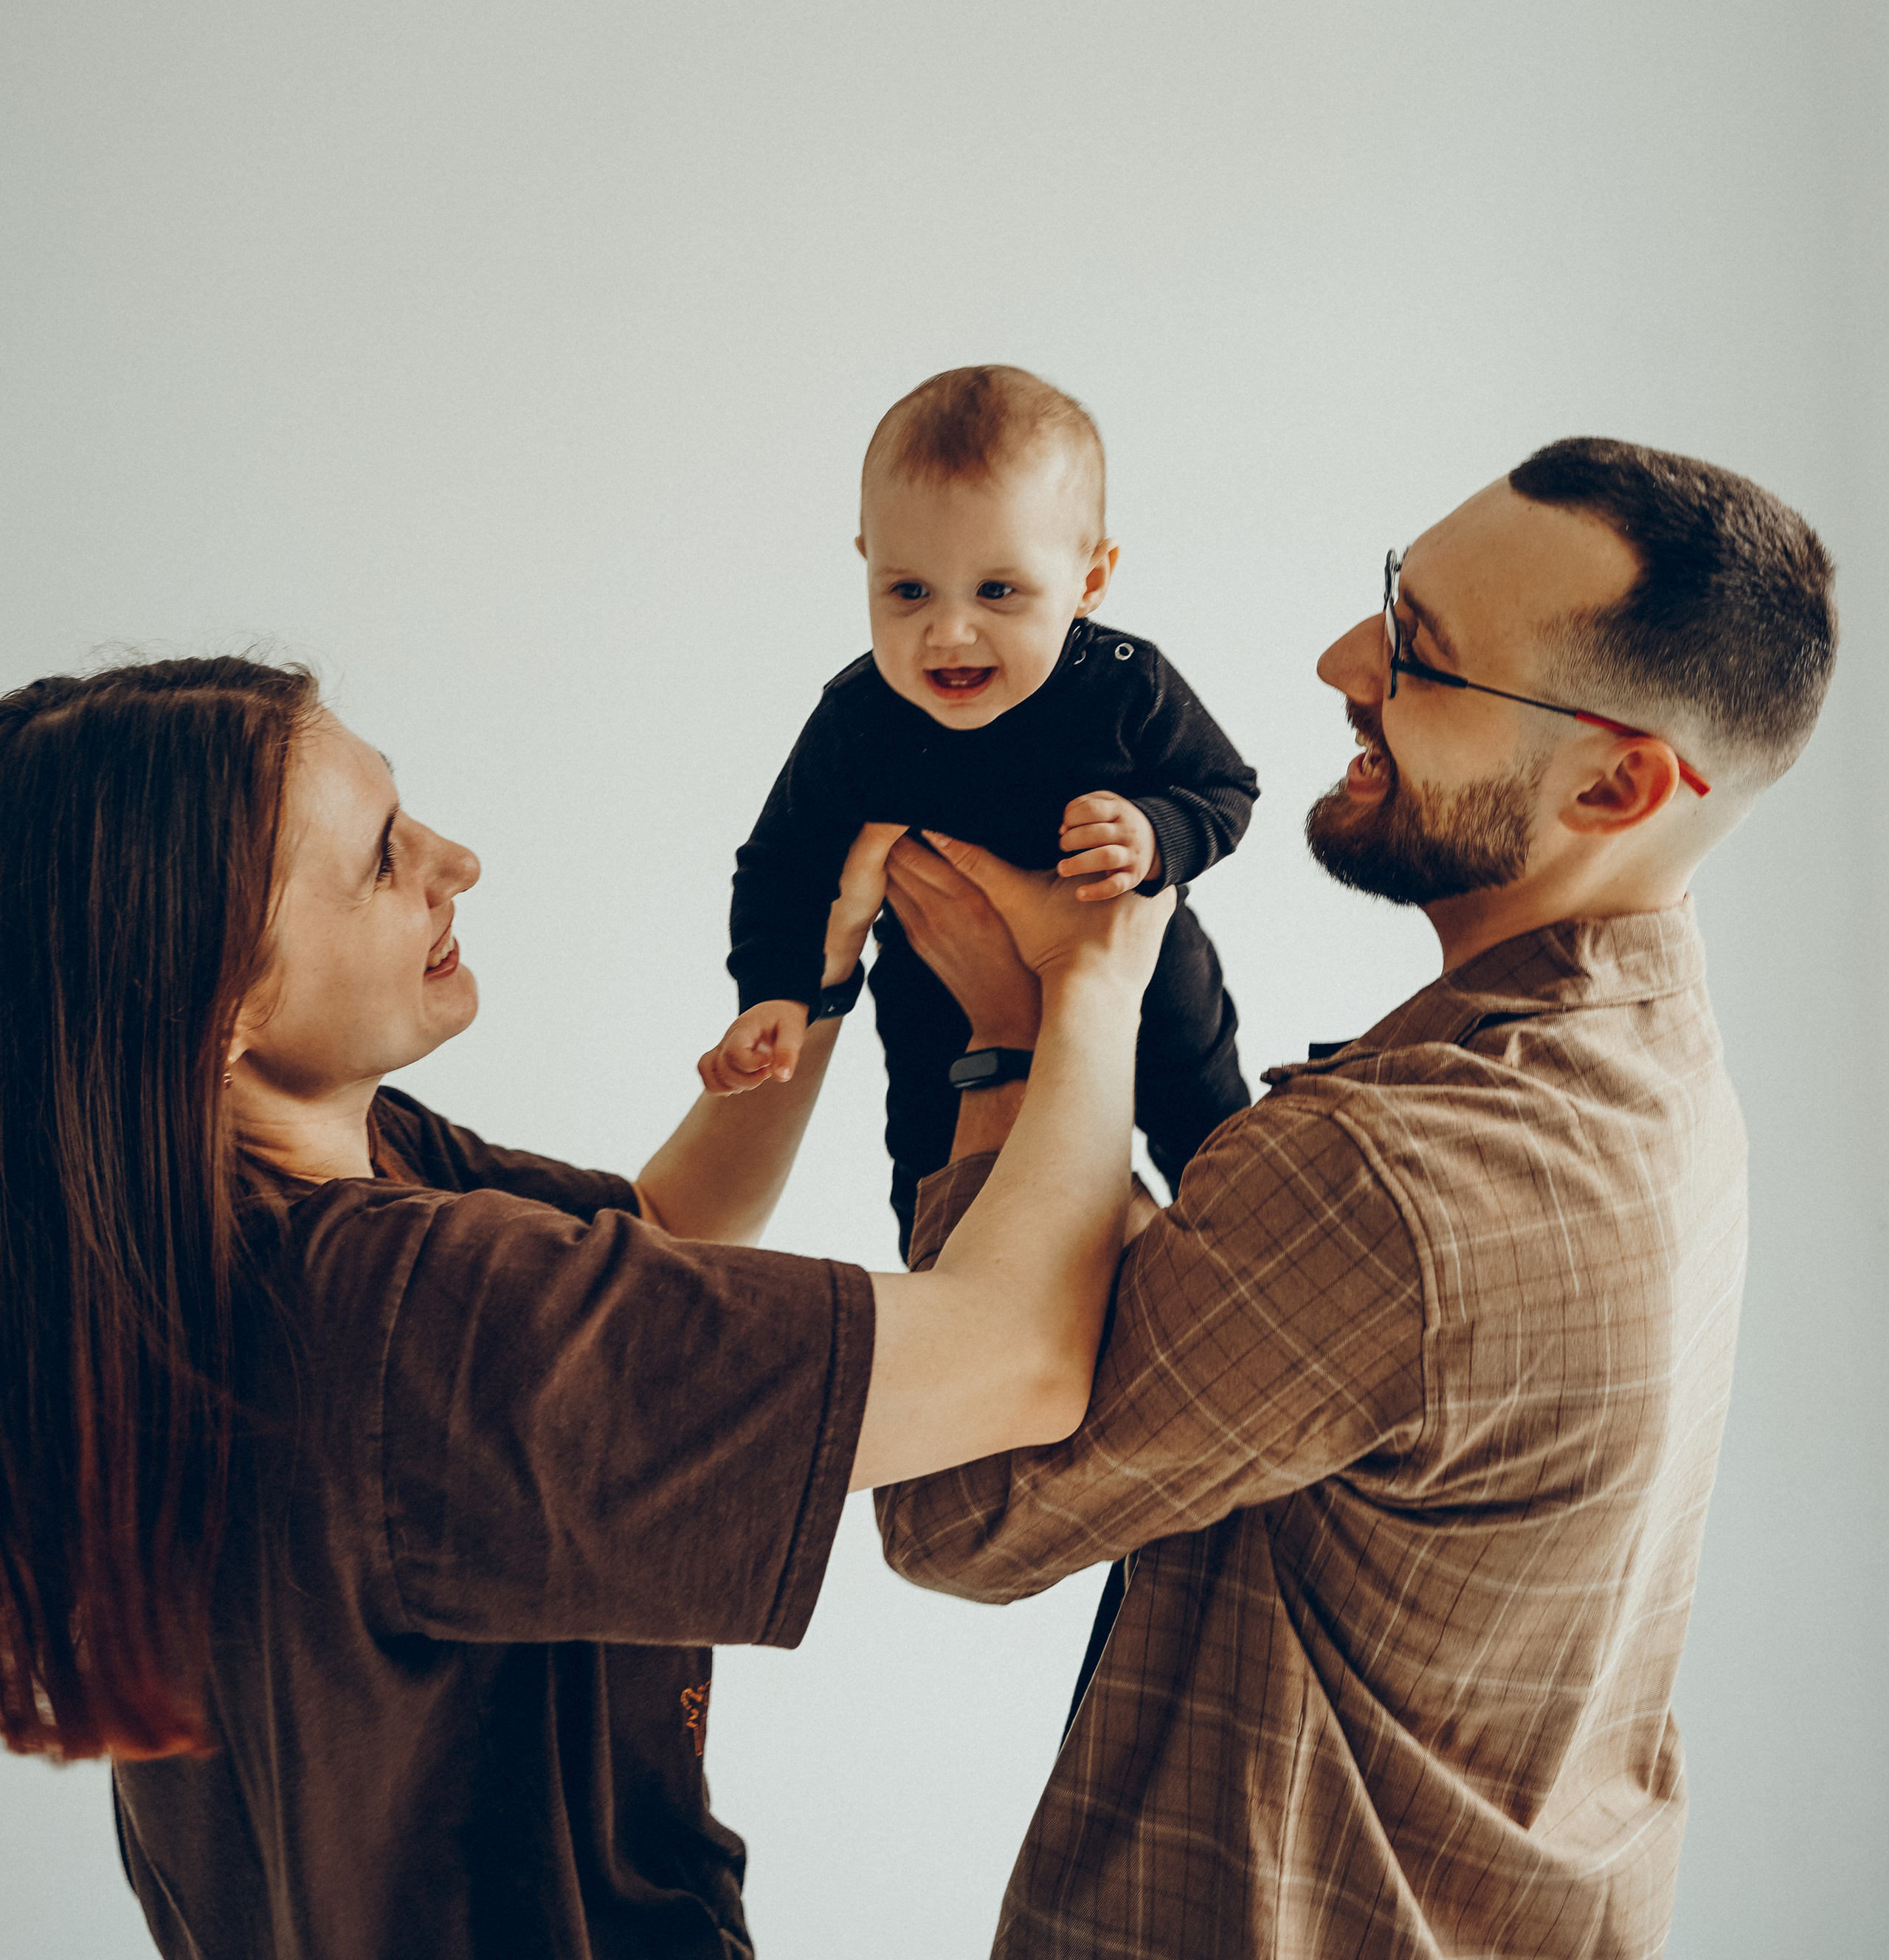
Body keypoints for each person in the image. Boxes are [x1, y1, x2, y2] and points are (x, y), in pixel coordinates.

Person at [0, 656, 1173, 1960]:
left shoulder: (225, 1214)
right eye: (383, 861)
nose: (457, 861)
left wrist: (819, 974)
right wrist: (1082, 993)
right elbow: (1018, 1359)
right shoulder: (402, 1316)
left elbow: (661, 1234)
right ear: (219, 1006)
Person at [877, 438, 1838, 1960]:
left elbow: (963, 1507)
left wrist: (1021, 1030)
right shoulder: (1658, 1060)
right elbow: (1276, 1349)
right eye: (1391, 597)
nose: (1341, 661)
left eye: (1419, 654)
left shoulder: (1398, 1180)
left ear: (1615, 782)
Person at [702, 364, 1257, 1250]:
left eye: (998, 591)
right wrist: (774, 994)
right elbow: (783, 865)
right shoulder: (858, 720)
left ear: (1090, 580)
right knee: (935, 1184)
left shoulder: (1125, 687)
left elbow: (1224, 789)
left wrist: (1157, 836)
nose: (949, 632)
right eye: (909, 591)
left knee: (1215, 1146)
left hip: (1146, 981)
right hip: (937, 997)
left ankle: (1235, 1257)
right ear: (868, 566)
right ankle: (948, 1296)